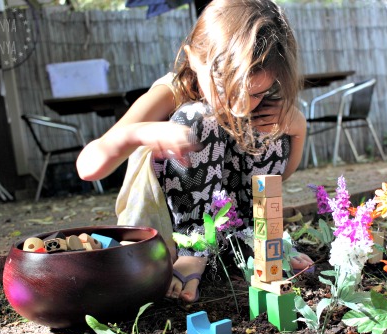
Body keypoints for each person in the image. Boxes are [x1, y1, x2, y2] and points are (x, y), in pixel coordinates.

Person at [76, 0, 312, 303]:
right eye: (228, 88)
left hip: (232, 231)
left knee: (269, 121)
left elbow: (280, 173)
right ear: (194, 58)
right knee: (199, 118)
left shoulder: (261, 102)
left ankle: (261, 240)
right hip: (168, 237)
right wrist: (142, 132)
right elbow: (88, 166)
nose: (240, 105)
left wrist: (298, 128)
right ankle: (194, 251)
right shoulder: (170, 92)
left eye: (255, 93)